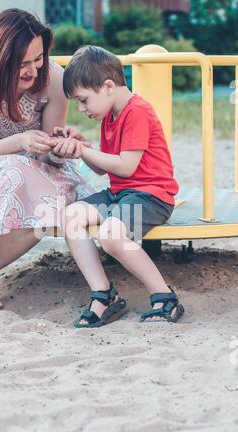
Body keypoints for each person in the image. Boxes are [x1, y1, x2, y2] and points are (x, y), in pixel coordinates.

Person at [0, 9, 93, 317]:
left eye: (38, 59)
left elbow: (46, 157)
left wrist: (60, 146)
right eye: (23, 63)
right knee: (11, 170)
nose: (33, 71)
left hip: (37, 169)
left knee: (41, 196)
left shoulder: (53, 77)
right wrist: (17, 143)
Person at [52, 46, 185, 327]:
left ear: (108, 86)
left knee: (110, 236)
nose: (81, 109)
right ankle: (104, 294)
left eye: (84, 100)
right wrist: (82, 146)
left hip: (152, 196)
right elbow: (104, 166)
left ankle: (164, 296)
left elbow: (126, 166)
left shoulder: (137, 111)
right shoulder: (110, 114)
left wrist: (83, 151)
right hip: (120, 194)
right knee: (70, 216)